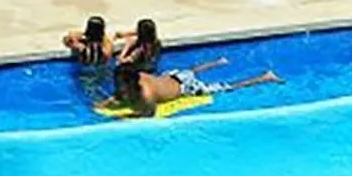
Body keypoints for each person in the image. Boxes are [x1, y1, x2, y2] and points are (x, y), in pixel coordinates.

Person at [109, 56, 282, 118]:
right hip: (175, 75)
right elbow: (120, 94)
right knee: (190, 71)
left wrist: (124, 115)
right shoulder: (138, 76)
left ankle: (265, 77)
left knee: (226, 87)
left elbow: (149, 113)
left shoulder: (146, 95)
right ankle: (218, 62)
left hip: (187, 87)